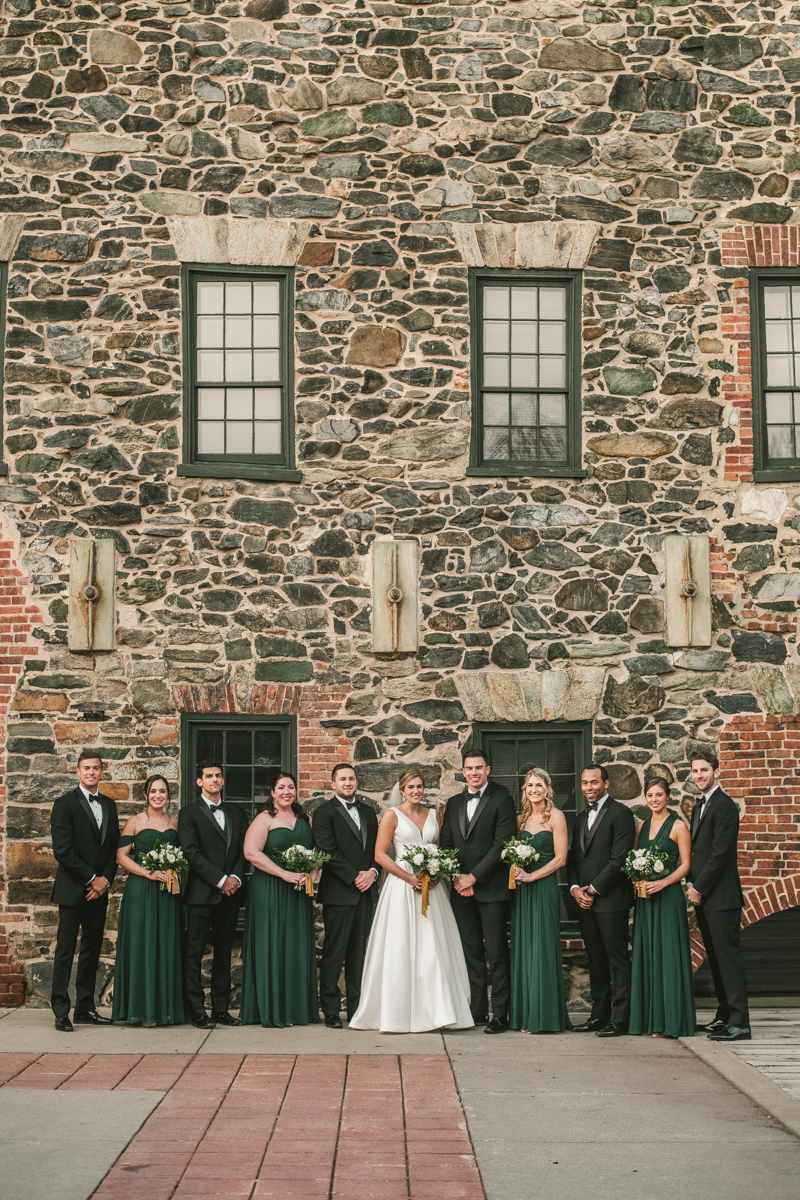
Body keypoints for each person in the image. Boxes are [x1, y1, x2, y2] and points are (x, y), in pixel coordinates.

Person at [350, 769, 473, 1033]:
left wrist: (437, 872)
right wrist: (407, 876)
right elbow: (381, 855)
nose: (416, 791)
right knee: (401, 945)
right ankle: (398, 1012)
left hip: (432, 888)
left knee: (433, 946)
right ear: (402, 790)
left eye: (419, 786)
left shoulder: (433, 814)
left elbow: (439, 850)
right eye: (411, 787)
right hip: (402, 887)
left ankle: (438, 1010)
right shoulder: (392, 816)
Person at [439, 748, 517, 1033]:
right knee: (470, 952)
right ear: (463, 771)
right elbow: (446, 844)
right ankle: (477, 1011)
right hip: (460, 889)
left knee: (496, 953)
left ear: (488, 770)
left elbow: (502, 845)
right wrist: (458, 877)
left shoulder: (503, 799)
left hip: (491, 889)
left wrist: (474, 877)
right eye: (469, 768)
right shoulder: (454, 802)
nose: (473, 773)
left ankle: (501, 1014)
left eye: (479, 768)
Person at [240, 772, 320, 1027]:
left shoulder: (306, 818)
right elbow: (251, 853)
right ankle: (272, 1009)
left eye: (291, 787)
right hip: (270, 890)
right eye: (281, 787)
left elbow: (319, 851)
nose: (287, 791)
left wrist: (312, 875)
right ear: (272, 793)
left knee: (295, 944)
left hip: (298, 892)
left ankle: (295, 1010)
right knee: (272, 944)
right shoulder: (264, 819)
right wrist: (284, 874)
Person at [50, 750, 120, 1032]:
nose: (91, 772)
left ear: (102, 772)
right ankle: (60, 1011)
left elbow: (113, 847)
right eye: (86, 768)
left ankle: (85, 1008)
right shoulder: (64, 804)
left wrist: (104, 880)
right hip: (72, 890)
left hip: (99, 891)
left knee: (91, 948)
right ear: (78, 772)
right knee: (65, 950)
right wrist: (92, 879)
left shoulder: (110, 805)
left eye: (96, 768)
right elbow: (63, 851)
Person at [567, 764, 636, 1037]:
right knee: (595, 960)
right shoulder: (580, 817)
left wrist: (592, 890)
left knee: (616, 959)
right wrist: (575, 889)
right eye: (585, 783)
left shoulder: (621, 814)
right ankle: (599, 1015)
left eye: (594, 782)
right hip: (584, 902)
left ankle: (621, 1019)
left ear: (606, 784)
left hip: (611, 901)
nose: (589, 788)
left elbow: (618, 860)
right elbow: (574, 859)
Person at [112, 775, 186, 1027]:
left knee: (165, 943)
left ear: (168, 795)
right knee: (142, 943)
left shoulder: (175, 824)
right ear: (145, 795)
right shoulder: (135, 822)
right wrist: (148, 873)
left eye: (162, 791)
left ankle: (164, 1009)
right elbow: (121, 857)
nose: (158, 795)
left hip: (167, 893)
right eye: (153, 791)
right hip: (141, 890)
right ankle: (141, 1010)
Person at [178, 760, 247, 1029]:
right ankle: (197, 1011)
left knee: (223, 954)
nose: (214, 780)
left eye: (218, 776)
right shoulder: (188, 813)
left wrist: (235, 879)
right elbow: (191, 853)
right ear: (200, 782)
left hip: (231, 894)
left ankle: (220, 1009)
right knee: (193, 954)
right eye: (209, 776)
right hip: (200, 894)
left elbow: (244, 850)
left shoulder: (236, 812)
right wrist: (221, 880)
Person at [687, 750, 750, 1042]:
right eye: (695, 771)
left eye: (704, 770)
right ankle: (725, 1015)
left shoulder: (724, 806)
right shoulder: (699, 806)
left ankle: (740, 1023)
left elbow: (720, 854)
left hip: (721, 897)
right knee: (715, 957)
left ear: (716, 771)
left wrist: (698, 888)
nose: (699, 775)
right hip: (706, 896)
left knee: (728, 959)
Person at [313, 763, 380, 1028]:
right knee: (334, 952)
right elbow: (328, 851)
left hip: (366, 893)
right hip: (339, 893)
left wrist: (373, 872)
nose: (348, 783)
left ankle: (357, 1009)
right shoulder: (323, 813)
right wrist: (355, 876)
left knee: (358, 954)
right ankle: (330, 1010)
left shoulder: (369, 812)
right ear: (333, 784)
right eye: (342, 779)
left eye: (351, 778)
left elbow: (378, 848)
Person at [628, 777, 694, 1039]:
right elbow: (633, 860)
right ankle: (650, 1020)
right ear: (645, 799)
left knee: (668, 955)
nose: (654, 799)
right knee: (647, 954)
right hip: (646, 899)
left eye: (659, 795)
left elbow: (686, 864)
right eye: (650, 795)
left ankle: (671, 1021)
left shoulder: (678, 826)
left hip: (668, 899)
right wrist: (637, 880)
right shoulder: (640, 826)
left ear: (668, 796)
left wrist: (664, 882)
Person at [509, 768, 570, 1034]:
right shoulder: (520, 820)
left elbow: (560, 859)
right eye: (529, 785)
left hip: (543, 887)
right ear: (525, 789)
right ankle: (525, 1015)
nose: (533, 789)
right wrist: (516, 869)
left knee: (543, 947)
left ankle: (544, 1016)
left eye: (538, 785)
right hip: (523, 890)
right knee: (525, 946)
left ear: (547, 788)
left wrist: (533, 876)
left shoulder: (556, 816)